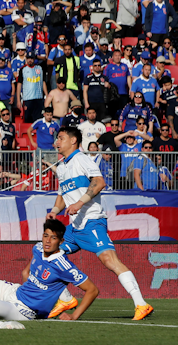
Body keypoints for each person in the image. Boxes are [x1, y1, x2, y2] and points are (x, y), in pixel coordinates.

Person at [47, 126, 153, 320]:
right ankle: (66, 299)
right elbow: (62, 194)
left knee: (109, 260)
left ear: (73, 141)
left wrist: (79, 203)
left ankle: (141, 304)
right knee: (49, 255)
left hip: (92, 221)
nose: (56, 142)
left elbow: (99, 181)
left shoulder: (82, 159)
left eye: (61, 138)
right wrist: (55, 210)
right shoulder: (62, 166)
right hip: (74, 227)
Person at [0, 219, 99, 320]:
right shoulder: (38, 247)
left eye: (53, 238)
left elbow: (92, 290)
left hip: (22, 310)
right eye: (45, 236)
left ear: (61, 241)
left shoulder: (64, 266)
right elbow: (26, 272)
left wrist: (74, 316)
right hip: (14, 291)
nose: (47, 241)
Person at [16, 51, 47, 123]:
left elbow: (43, 82)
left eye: (32, 58)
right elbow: (19, 84)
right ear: (26, 59)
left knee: (38, 119)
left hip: (38, 98)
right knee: (27, 119)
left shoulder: (39, 68)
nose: (30, 60)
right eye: (28, 58)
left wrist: (47, 95)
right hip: (27, 99)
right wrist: (18, 100)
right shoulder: (22, 69)